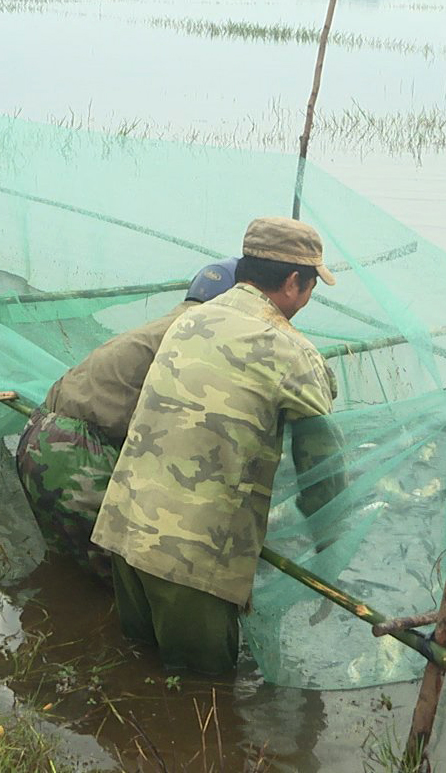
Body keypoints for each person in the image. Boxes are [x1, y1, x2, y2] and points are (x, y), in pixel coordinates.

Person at [92, 217, 347, 675]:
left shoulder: (190, 320)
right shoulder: (293, 352)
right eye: (311, 286)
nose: (309, 298)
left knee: (136, 669)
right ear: (294, 282)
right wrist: (333, 551)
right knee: (201, 692)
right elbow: (321, 474)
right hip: (189, 559)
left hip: (124, 529)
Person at [15, 259, 237, 581]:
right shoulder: (199, 335)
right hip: (75, 452)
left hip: (39, 434)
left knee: (68, 568)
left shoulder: (167, 324)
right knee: (130, 577)